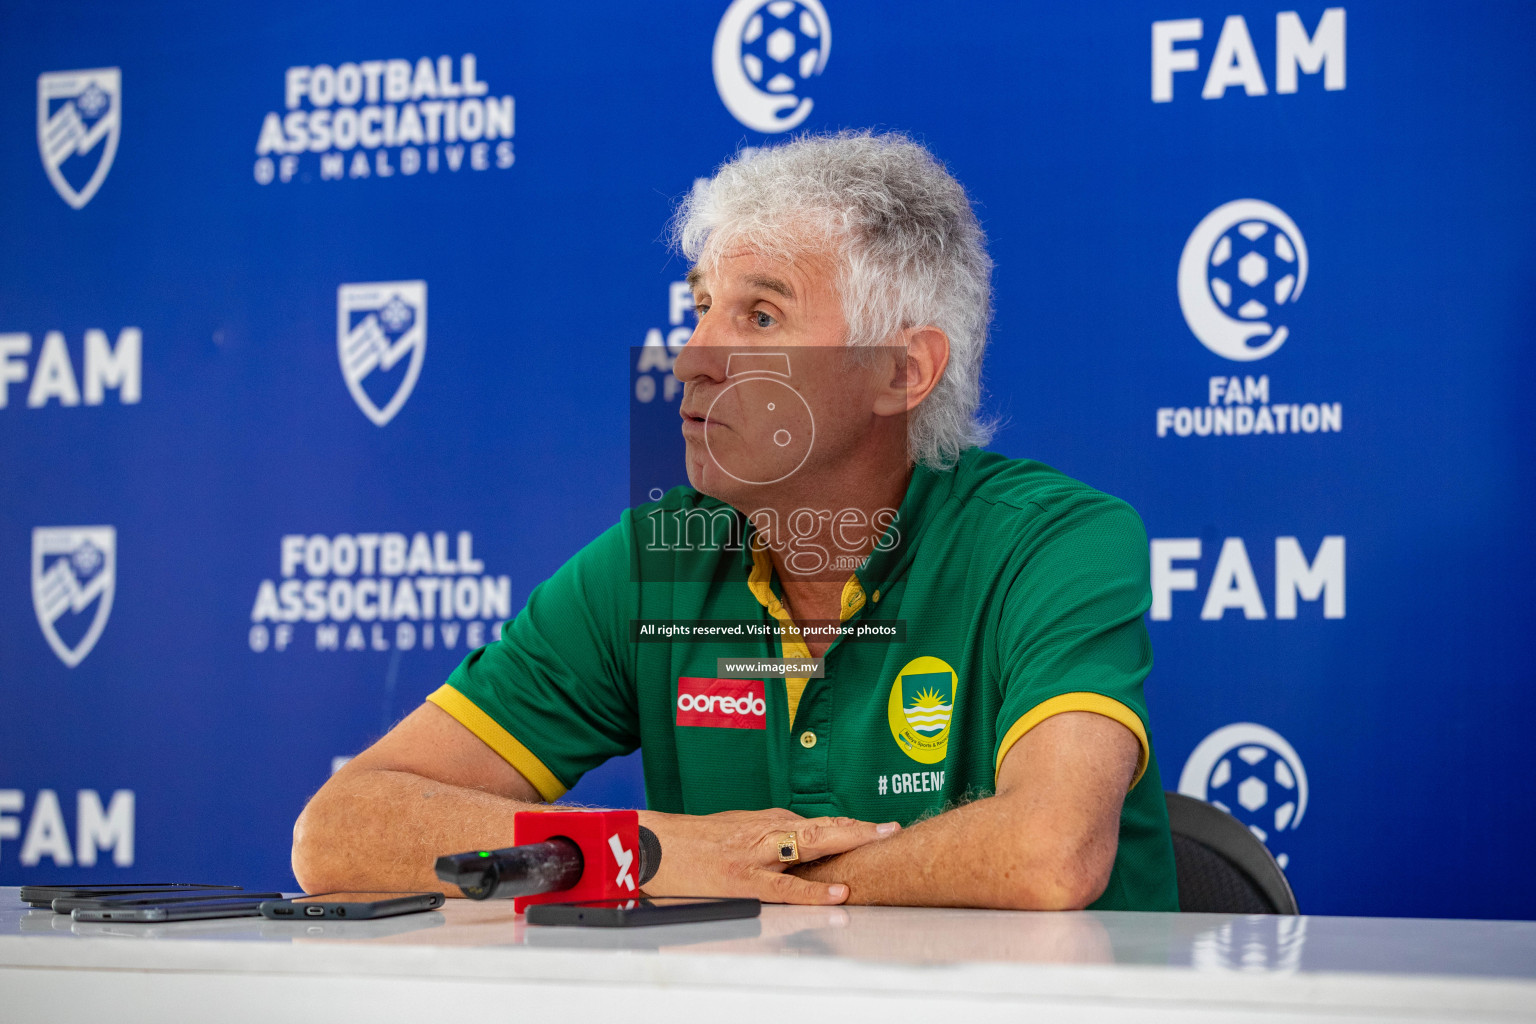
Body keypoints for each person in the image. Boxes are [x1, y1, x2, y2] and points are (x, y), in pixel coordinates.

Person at [292, 131, 1178, 911]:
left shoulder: (1054, 542)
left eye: (760, 315)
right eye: (699, 306)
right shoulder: (657, 562)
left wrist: (747, 876)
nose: (690, 357)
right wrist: (664, 855)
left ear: (901, 374)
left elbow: (1050, 854)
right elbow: (338, 833)